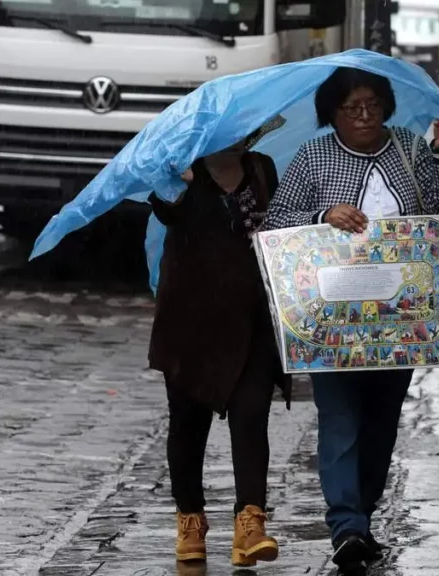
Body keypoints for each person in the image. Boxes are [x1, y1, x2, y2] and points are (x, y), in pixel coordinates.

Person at [262, 67, 439, 574]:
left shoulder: (410, 148)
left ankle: (364, 517)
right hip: (331, 324)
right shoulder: (313, 156)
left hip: (401, 322)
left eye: (373, 104)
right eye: (352, 107)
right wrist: (322, 216)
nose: (364, 115)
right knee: (340, 419)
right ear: (332, 113)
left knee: (381, 421)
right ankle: (346, 524)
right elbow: (276, 225)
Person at [147, 117, 288, 567]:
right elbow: (165, 212)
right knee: (187, 425)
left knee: (252, 415)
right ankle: (190, 519)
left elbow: (281, 232)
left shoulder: (263, 168)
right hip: (189, 324)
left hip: (252, 321)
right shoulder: (182, 174)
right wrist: (178, 184)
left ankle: (250, 522)